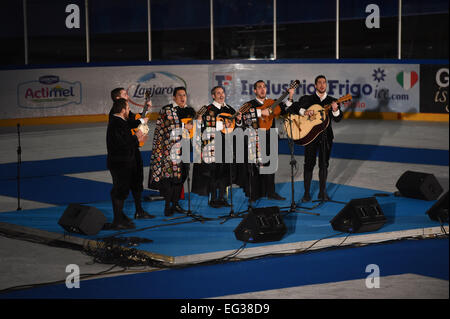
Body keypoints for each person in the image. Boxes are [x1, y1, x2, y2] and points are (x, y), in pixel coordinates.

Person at [285, 75, 343, 202]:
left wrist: (335, 109)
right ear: (315, 85)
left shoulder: (332, 100)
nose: (322, 85)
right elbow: (291, 107)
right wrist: (304, 112)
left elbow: (338, 118)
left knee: (324, 164)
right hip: (310, 137)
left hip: (326, 137)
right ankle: (306, 194)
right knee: (309, 164)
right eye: (319, 83)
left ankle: (322, 193)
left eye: (324, 83)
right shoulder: (307, 99)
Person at [148, 87, 196, 216]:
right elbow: (167, 127)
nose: (182, 97)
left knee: (182, 177)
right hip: (170, 150)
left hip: (185, 148)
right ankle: (167, 205)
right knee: (171, 178)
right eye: (179, 95)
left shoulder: (189, 110)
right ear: (174, 97)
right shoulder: (167, 109)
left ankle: (175, 204)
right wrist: (183, 126)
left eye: (184, 95)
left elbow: (193, 128)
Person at [110, 88, 155, 220]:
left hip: (131, 152)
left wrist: (143, 117)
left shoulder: (121, 116)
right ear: (118, 100)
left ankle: (138, 211)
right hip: (123, 157)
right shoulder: (115, 117)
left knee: (137, 181)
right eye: (125, 94)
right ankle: (119, 217)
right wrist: (137, 137)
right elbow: (127, 130)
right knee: (121, 187)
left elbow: (133, 121)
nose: (128, 96)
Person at [238, 80, 286, 201]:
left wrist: (289, 96)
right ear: (255, 90)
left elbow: (285, 109)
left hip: (271, 136)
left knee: (271, 166)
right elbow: (244, 117)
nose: (262, 89)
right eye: (259, 87)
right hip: (256, 138)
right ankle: (254, 193)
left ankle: (271, 192)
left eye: (264, 87)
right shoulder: (249, 104)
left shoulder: (272, 103)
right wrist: (260, 112)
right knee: (255, 167)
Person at [191, 86, 238, 208]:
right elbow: (203, 126)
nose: (221, 95)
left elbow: (236, 126)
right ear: (213, 96)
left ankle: (222, 197)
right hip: (212, 146)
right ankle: (213, 198)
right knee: (213, 172)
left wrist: (238, 120)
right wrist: (221, 125)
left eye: (223, 93)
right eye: (218, 93)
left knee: (225, 172)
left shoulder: (230, 109)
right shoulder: (207, 110)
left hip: (227, 145)